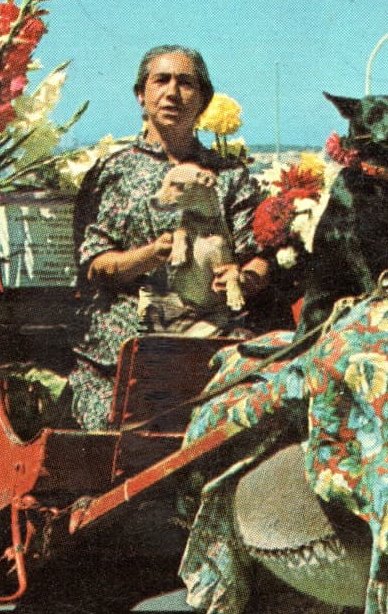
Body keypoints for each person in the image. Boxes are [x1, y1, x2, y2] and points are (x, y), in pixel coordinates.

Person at [67, 46, 270, 430]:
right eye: (161, 80)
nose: (172, 93)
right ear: (140, 95)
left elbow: (258, 257)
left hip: (211, 344)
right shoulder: (114, 172)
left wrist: (242, 278)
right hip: (124, 354)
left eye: (186, 83)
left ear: (203, 99)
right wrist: (151, 255)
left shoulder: (229, 175)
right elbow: (95, 265)